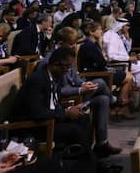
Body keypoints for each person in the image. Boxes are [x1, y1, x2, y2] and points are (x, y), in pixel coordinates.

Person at [39, 27, 121, 157]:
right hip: (67, 98)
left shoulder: (66, 54)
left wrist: (83, 84)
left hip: (77, 93)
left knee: (102, 99)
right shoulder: (52, 62)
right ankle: (115, 100)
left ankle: (102, 144)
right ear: (60, 43)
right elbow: (57, 90)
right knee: (99, 82)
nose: (74, 47)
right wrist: (80, 89)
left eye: (75, 44)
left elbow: (75, 77)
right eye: (71, 44)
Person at [78, 21, 134, 119]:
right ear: (91, 32)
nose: (101, 32)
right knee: (129, 77)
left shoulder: (93, 44)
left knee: (128, 75)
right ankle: (121, 106)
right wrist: (104, 58)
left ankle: (120, 105)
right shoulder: (89, 46)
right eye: (99, 29)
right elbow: (102, 62)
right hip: (96, 74)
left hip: (101, 71)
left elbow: (103, 61)